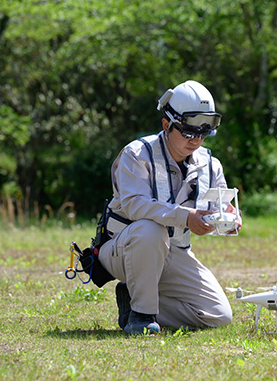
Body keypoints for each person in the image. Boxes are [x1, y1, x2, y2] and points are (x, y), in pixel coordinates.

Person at [98, 80, 241, 334]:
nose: (196, 140)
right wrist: (187, 217)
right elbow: (134, 206)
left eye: (203, 133)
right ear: (166, 125)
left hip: (175, 252)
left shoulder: (211, 164)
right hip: (125, 247)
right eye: (188, 132)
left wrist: (228, 218)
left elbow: (221, 205)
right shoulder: (136, 154)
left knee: (218, 315)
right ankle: (141, 317)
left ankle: (134, 298)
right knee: (150, 231)